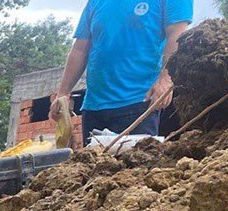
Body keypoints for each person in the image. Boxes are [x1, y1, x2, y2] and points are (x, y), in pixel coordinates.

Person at [51, 0, 192, 147]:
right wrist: (63, 93)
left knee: (135, 167)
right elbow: (80, 49)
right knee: (93, 167)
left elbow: (177, 35)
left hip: (139, 102)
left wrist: (166, 78)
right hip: (94, 107)